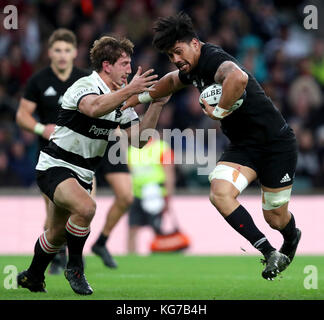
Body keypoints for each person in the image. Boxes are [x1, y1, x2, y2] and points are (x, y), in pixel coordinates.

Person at [123, 12, 301, 280]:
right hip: (244, 147)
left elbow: (238, 78)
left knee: (275, 218)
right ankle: (268, 251)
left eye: (178, 52)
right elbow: (171, 81)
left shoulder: (213, 59)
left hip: (276, 144)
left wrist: (220, 111)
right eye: (171, 55)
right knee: (219, 193)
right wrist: (140, 96)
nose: (175, 60)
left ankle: (291, 237)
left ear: (195, 43)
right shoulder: (191, 67)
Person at [17, 35, 170, 295]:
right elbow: (93, 108)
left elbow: (140, 140)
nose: (130, 70)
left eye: (130, 64)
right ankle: (75, 269)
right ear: (107, 65)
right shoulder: (84, 85)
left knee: (56, 234)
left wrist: (156, 104)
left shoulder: (123, 100)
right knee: (86, 207)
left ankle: (33, 275)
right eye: (124, 64)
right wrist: (130, 92)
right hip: (56, 164)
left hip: (84, 173)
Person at [16, 28, 90, 274]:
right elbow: (22, 115)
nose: (62, 55)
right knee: (53, 214)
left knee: (84, 207)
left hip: (83, 157)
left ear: (75, 52)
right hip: (51, 157)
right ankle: (60, 258)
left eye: (67, 50)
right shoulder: (39, 80)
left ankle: (71, 257)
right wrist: (40, 128)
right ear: (49, 52)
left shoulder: (85, 80)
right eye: (57, 50)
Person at [127, 137, 175, 253]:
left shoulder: (162, 147)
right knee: (133, 228)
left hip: (155, 194)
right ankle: (132, 258)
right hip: (137, 193)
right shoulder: (131, 150)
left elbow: (169, 172)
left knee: (156, 228)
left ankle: (158, 255)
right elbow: (128, 174)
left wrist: (168, 196)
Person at [91, 138, 133, 268]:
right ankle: (71, 254)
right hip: (84, 138)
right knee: (85, 203)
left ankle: (101, 242)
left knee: (126, 197)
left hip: (109, 139)